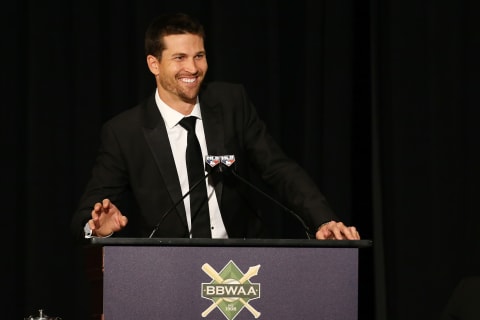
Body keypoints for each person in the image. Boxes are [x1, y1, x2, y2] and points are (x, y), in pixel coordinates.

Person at [71, 12, 360, 241]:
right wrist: (97, 228)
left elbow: (279, 169)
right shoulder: (125, 132)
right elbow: (87, 212)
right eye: (179, 58)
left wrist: (323, 219)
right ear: (153, 64)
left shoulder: (231, 102)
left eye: (199, 56)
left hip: (241, 266)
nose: (193, 69)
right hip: (169, 272)